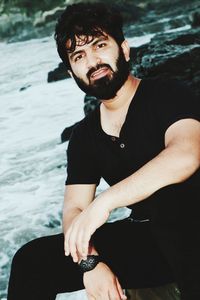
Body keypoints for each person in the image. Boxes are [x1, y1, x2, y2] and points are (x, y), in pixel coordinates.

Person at [8, 3, 200, 300]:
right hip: (149, 245)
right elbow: (73, 210)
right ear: (72, 71)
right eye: (79, 56)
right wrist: (90, 263)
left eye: (100, 45)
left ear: (123, 49)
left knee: (170, 206)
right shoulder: (84, 136)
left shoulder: (167, 93)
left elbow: (186, 155)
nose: (93, 61)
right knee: (31, 260)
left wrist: (104, 203)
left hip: (192, 231)